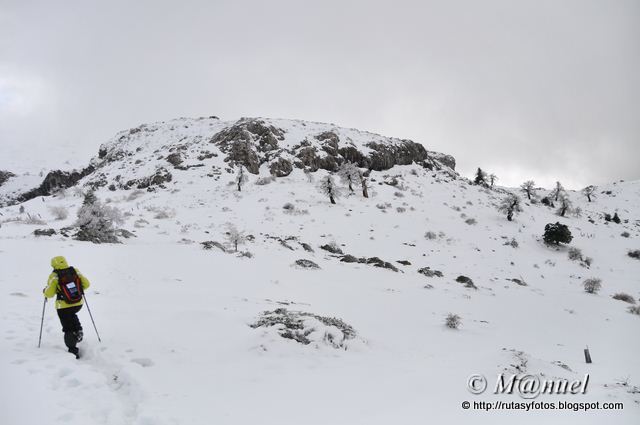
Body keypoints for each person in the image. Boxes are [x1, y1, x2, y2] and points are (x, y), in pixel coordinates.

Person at [43, 256, 91, 358]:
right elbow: (86, 284)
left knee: (67, 327)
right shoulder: (74, 271)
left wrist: (45, 291)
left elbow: (49, 294)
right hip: (78, 303)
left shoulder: (54, 275)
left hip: (63, 306)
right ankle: (78, 330)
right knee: (72, 314)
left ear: (53, 265)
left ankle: (73, 350)